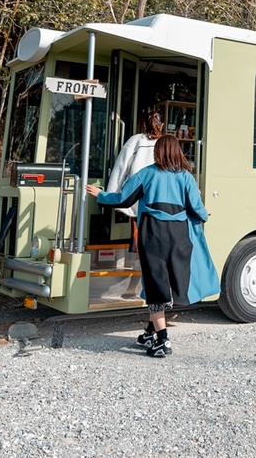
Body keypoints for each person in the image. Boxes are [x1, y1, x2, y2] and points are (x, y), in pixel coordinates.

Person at [86, 135, 218, 358]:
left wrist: (101, 195)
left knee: (156, 287)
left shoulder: (146, 174)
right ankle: (150, 332)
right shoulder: (185, 176)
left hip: (153, 236)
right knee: (166, 285)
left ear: (158, 152)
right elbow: (196, 207)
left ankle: (163, 341)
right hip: (179, 237)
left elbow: (123, 200)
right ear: (177, 152)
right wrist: (204, 214)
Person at [107, 110, 165, 218]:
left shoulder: (135, 140)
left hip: (135, 193)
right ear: (162, 125)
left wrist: (111, 195)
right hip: (160, 195)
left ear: (144, 124)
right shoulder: (166, 143)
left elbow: (120, 168)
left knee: (136, 228)